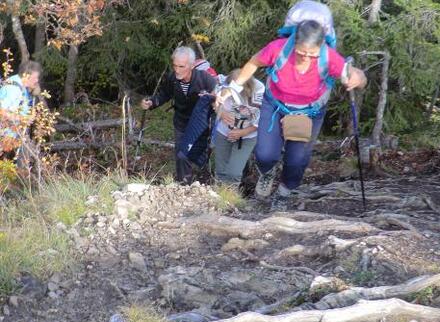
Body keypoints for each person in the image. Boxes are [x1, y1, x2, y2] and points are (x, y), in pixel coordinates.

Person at [217, 19, 367, 201]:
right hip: (275, 105)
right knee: (264, 155)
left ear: (320, 47)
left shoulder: (329, 57)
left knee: (296, 161)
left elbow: (359, 76)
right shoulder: (279, 48)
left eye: (312, 54)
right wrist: (232, 88)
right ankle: (267, 173)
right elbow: (253, 63)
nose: (306, 57)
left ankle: (284, 192)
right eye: (301, 52)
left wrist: (358, 78)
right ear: (294, 42)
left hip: (309, 112)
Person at [141, 46, 216, 184]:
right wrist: (152, 102)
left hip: (200, 124)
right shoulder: (172, 78)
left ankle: (204, 181)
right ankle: (184, 183)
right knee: (181, 154)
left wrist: (212, 98)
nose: (177, 70)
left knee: (199, 153)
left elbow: (219, 94)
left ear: (192, 65)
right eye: (175, 65)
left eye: (181, 66)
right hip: (181, 122)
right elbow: (164, 94)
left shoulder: (204, 78)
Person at [213, 69, 264, 186]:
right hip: (223, 131)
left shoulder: (260, 91)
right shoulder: (223, 83)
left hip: (247, 136)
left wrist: (243, 132)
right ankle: (218, 196)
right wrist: (220, 112)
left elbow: (262, 119)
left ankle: (230, 199)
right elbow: (213, 99)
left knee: (233, 173)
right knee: (221, 170)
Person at [0, 60, 42, 165]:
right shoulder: (13, 88)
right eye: (35, 78)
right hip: (5, 137)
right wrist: (24, 119)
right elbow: (2, 112)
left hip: (14, 136)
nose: (37, 80)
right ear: (26, 76)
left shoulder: (22, 87)